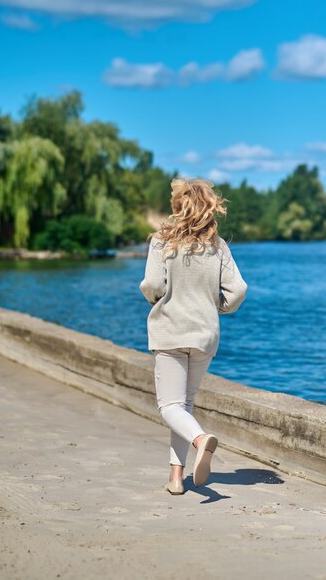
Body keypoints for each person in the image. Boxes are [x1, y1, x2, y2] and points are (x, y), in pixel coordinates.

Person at [139, 177, 248, 495]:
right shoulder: (218, 246)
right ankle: (176, 478)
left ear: (177, 208)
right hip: (205, 334)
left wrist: (159, 299)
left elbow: (151, 285)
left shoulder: (162, 241)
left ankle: (201, 440)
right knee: (183, 404)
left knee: (169, 407)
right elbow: (238, 289)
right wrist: (218, 307)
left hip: (170, 329)